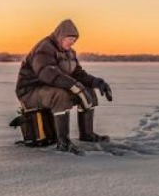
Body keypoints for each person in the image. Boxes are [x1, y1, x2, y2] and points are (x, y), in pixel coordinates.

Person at [15, 19, 113, 154]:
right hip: (30, 91)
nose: (72, 43)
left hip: (49, 88)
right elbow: (47, 73)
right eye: (69, 39)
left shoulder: (70, 53)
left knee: (88, 91)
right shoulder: (45, 48)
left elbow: (78, 74)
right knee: (60, 95)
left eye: (74, 40)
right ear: (60, 36)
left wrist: (98, 83)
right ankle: (63, 142)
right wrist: (74, 86)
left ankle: (87, 134)